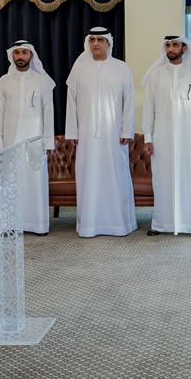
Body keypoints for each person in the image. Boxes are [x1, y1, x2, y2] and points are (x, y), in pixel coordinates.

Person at [65, 27, 137, 237]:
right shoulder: (79, 69)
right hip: (87, 136)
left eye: (100, 40)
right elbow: (71, 102)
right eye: (93, 39)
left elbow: (129, 102)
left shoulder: (122, 68)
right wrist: (73, 133)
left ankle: (119, 224)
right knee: (88, 177)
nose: (96, 43)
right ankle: (89, 225)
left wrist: (127, 130)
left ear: (109, 43)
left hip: (114, 136)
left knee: (116, 176)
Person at [142, 35, 191, 236]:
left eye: (175, 45)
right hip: (162, 138)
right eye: (168, 45)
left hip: (190, 138)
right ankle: (161, 224)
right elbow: (149, 108)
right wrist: (148, 138)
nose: (171, 48)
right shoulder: (156, 75)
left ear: (184, 48)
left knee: (190, 181)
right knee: (162, 181)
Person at [0, 39, 56, 235]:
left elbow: (48, 112)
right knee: (10, 182)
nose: (20, 56)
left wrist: (48, 142)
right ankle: (10, 224)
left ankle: (38, 225)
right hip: (10, 142)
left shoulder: (42, 80)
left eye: (24, 53)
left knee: (35, 182)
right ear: (12, 56)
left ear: (31, 55)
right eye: (17, 53)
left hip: (35, 143)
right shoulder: (4, 81)